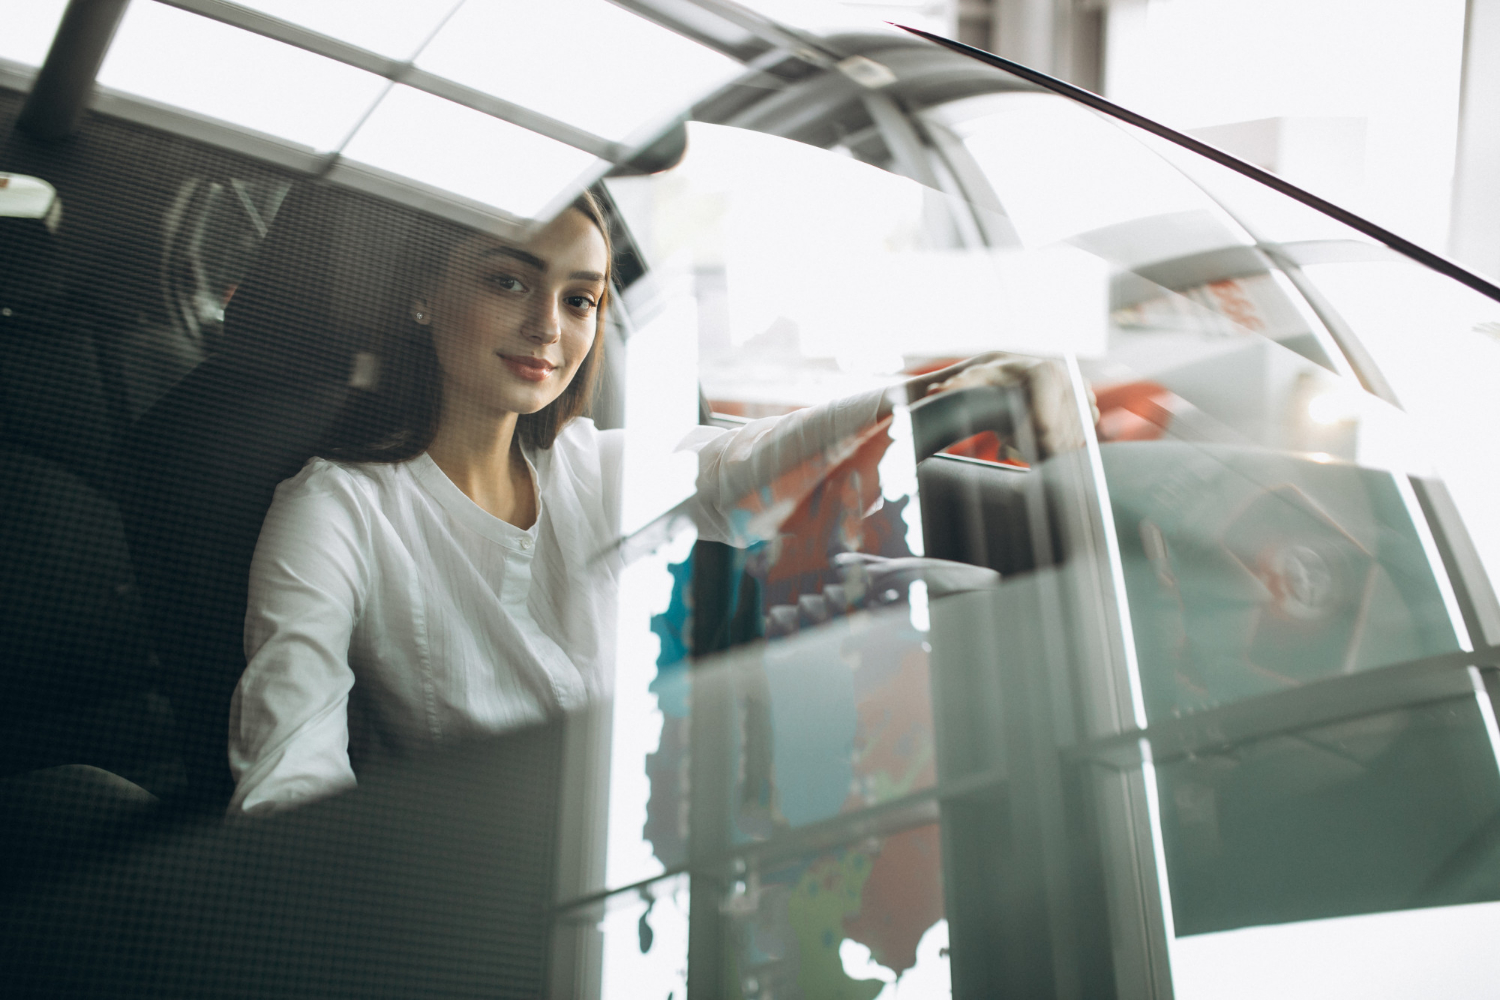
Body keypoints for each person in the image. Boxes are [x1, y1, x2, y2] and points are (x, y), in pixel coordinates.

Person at [226, 191, 1086, 816]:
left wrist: (963, 388)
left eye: (579, 300)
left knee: (952, 599)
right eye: (508, 283)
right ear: (423, 294)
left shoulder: (586, 469)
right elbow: (290, 775)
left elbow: (749, 471)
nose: (548, 330)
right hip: (488, 892)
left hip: (655, 851)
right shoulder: (334, 512)